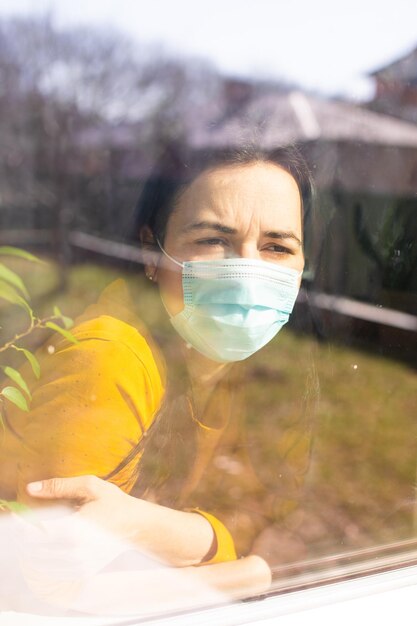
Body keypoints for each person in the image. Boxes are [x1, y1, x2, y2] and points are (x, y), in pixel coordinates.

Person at [0, 142, 314, 611]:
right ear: (152, 251)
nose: (247, 272)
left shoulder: (217, 359)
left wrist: (158, 528)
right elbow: (43, 591)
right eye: (212, 240)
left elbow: (251, 512)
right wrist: (249, 573)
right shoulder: (109, 361)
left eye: (277, 246)